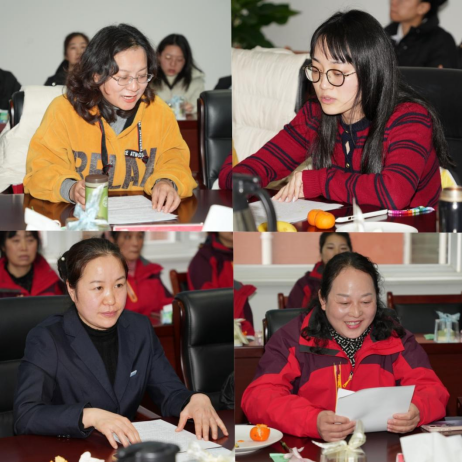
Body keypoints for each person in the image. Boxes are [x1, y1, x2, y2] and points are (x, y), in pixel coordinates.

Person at [14, 238, 228, 447]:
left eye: (119, 285)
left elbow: (170, 392)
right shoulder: (47, 338)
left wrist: (194, 400)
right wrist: (89, 416)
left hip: (124, 450)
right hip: (68, 451)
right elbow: (25, 415)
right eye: (98, 288)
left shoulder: (140, 329)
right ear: (72, 289)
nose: (111, 299)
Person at [232, 10, 455, 210]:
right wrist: (236, 179)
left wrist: (320, 181)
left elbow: (393, 193)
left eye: (337, 73)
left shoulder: (410, 117)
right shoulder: (315, 113)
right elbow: (253, 168)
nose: (323, 84)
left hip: (412, 231)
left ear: (370, 72)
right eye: (316, 70)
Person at [242, 252, 449, 441]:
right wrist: (312, 420)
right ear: (323, 299)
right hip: (312, 448)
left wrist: (418, 410)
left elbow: (433, 390)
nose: (356, 313)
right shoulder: (292, 339)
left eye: (366, 302)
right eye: (344, 303)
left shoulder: (395, 338)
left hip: (382, 447)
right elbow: (258, 397)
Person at [24, 24, 196, 213]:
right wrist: (71, 189)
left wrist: (167, 181)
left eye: (141, 76)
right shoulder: (64, 110)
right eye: (123, 77)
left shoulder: (159, 112)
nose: (134, 87)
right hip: (81, 216)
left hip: (144, 216)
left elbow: (175, 159)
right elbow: (41, 169)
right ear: (96, 74)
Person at [111, 231, 173, 317]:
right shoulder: (107, 275)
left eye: (140, 237)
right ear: (113, 241)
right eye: (127, 237)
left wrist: (166, 319)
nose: (136, 243)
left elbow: (169, 306)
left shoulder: (152, 272)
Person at [287, 232, 352, 309]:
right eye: (330, 248)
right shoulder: (305, 284)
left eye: (343, 248)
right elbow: (295, 315)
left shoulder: (360, 280)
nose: (337, 253)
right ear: (321, 252)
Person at [385, 0, 458, 68]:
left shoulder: (441, 41)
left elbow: (440, 76)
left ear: (422, 8)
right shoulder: (383, 36)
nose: (394, 2)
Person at [153, 34, 205, 115]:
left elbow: (201, 111)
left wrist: (192, 108)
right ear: (158, 56)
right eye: (168, 57)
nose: (173, 64)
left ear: (186, 60)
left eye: (179, 59)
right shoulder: (147, 79)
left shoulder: (196, 81)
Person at [0, 231, 63, 296]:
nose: (24, 248)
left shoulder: (53, 282)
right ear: (3, 245)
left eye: (30, 240)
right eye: (16, 240)